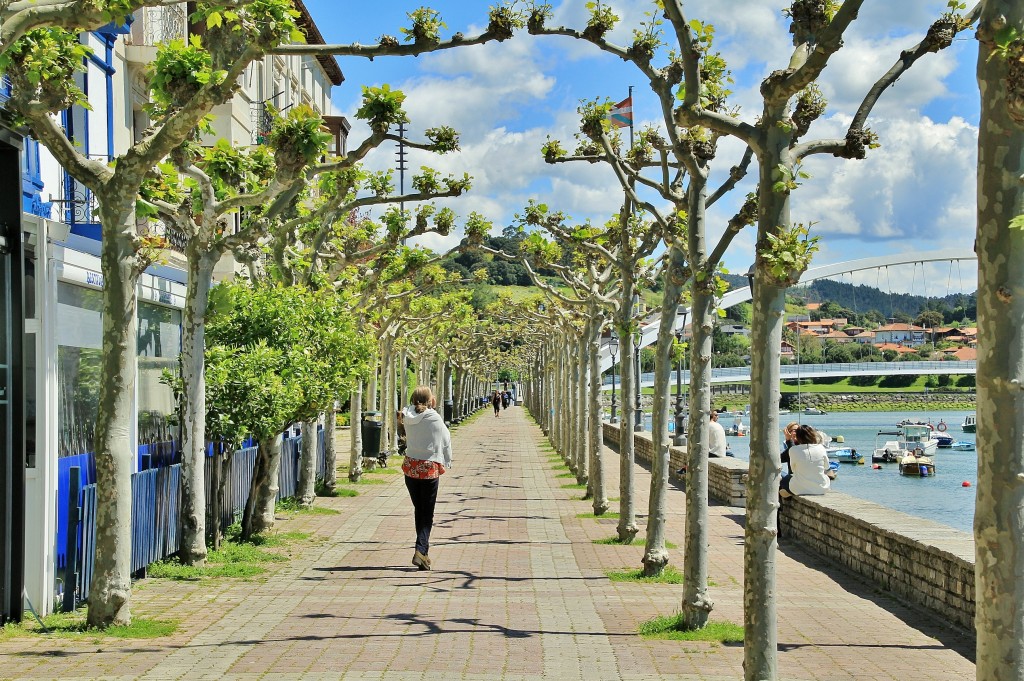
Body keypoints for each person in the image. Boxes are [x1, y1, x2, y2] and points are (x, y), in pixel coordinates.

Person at [398, 386, 452, 571]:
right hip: (428, 468)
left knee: (419, 510)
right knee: (426, 513)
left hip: (411, 468)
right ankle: (420, 550)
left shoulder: (406, 415)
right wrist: (447, 459)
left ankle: (423, 553)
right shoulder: (433, 417)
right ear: (431, 400)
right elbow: (445, 438)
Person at [780, 424, 831, 497]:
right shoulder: (821, 448)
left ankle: (787, 494)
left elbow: (793, 469)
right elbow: (826, 467)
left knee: (783, 477)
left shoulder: (793, 450)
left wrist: (789, 441)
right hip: (821, 488)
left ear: (798, 437)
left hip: (799, 489)